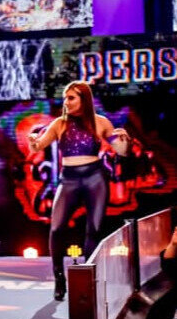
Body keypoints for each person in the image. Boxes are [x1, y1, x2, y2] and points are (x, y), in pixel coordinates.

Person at [28, 82, 130, 301]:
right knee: (56, 228)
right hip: (69, 179)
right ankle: (59, 278)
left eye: (71, 98)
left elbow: (121, 151)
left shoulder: (101, 122)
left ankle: (87, 280)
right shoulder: (59, 123)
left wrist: (123, 140)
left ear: (84, 99)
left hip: (95, 178)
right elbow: (38, 146)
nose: (66, 102)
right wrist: (33, 142)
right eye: (65, 98)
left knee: (94, 230)